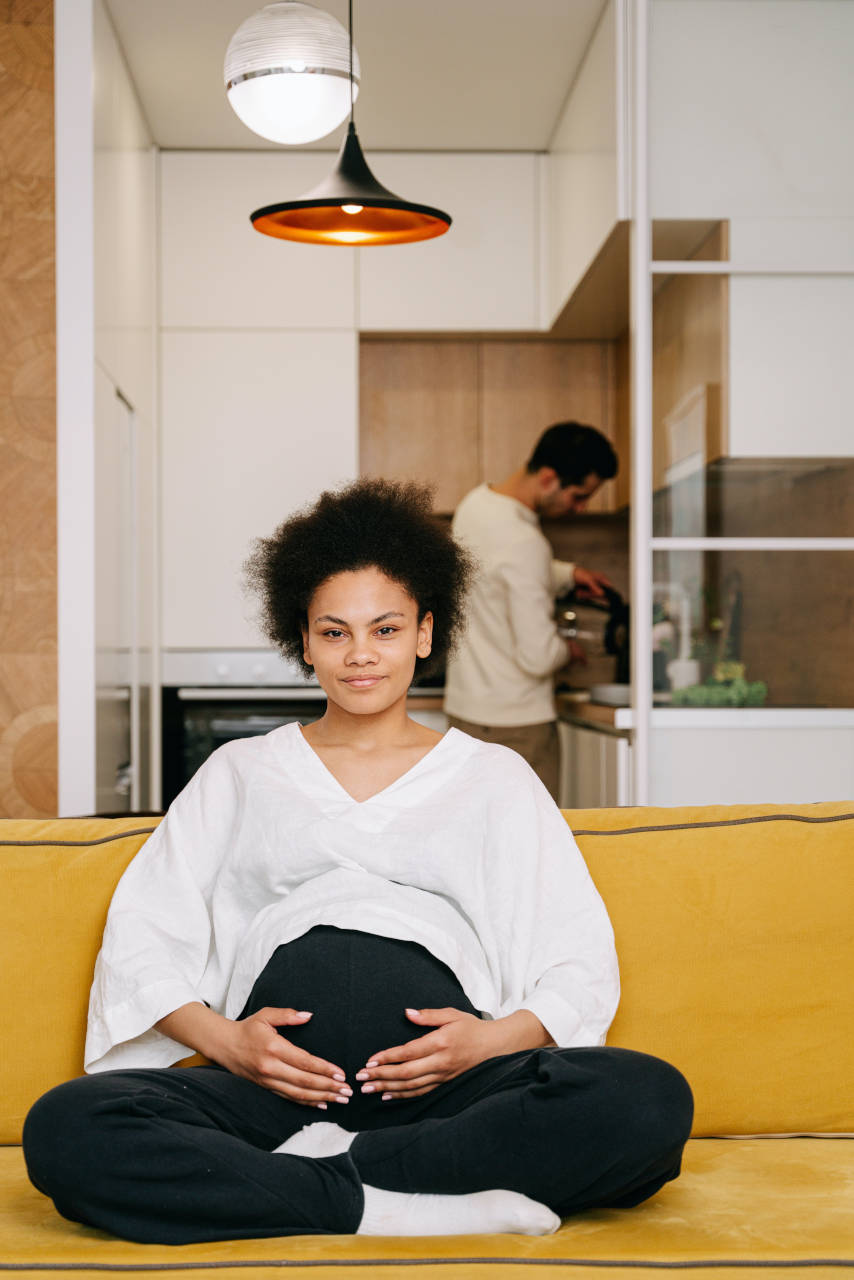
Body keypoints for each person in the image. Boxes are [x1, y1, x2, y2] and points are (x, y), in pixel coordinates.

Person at [23, 478, 691, 1246]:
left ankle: (323, 1175)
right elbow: (144, 936)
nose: (361, 655)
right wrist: (228, 1042)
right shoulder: (240, 772)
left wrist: (483, 1043)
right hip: (271, 1096)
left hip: (452, 1095)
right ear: (303, 641)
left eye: (385, 628)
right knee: (68, 1127)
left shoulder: (494, 777)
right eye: (334, 633)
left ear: (425, 633)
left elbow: (575, 960)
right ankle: (395, 1201)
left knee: (648, 1102)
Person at [444, 422, 619, 801]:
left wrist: (568, 575)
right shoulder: (526, 542)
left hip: (465, 715)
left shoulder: (474, 506)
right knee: (530, 851)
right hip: (518, 728)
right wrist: (566, 650)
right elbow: (538, 656)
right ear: (549, 478)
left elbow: (497, 567)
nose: (580, 507)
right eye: (578, 495)